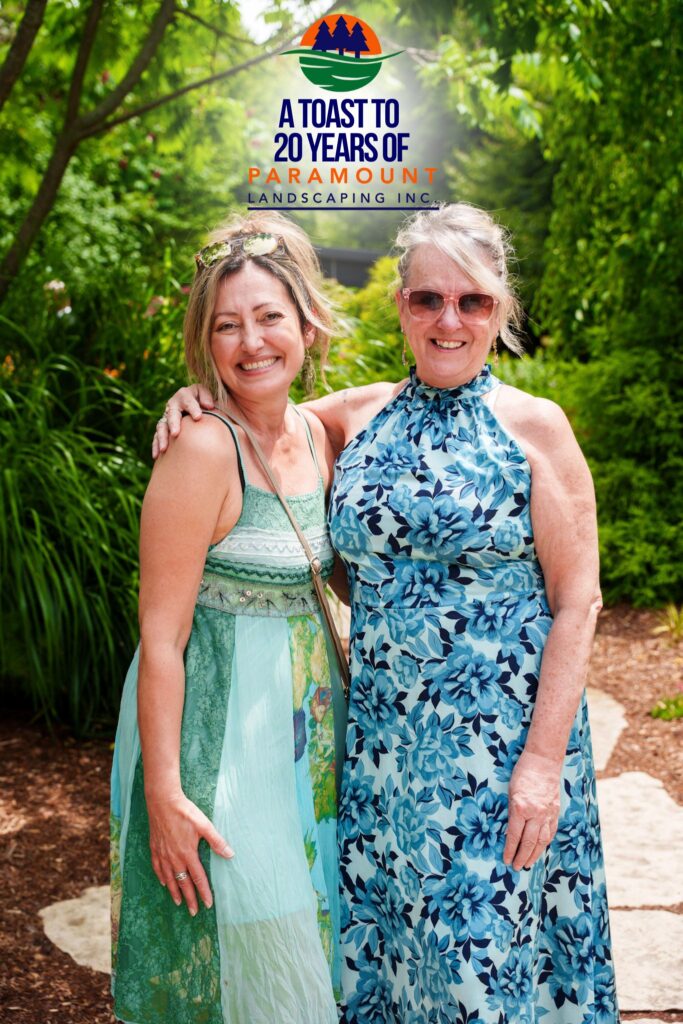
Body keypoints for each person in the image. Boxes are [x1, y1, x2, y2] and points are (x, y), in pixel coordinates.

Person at [155, 203, 619, 1023]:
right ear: (401, 305)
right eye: (427, 299)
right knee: (393, 969)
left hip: (500, 760)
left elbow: (577, 602)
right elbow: (263, 416)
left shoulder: (535, 429)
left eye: (471, 301)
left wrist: (542, 766)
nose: (449, 320)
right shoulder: (355, 418)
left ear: (499, 310)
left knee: (481, 977)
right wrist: (194, 397)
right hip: (381, 757)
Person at [110, 212, 347, 1024]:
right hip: (220, 736)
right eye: (226, 326)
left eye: (269, 317)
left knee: (308, 936)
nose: (251, 343)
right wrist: (166, 794)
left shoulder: (319, 434)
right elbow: (161, 637)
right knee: (249, 937)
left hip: (306, 732)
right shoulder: (203, 449)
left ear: (307, 325)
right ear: (204, 344)